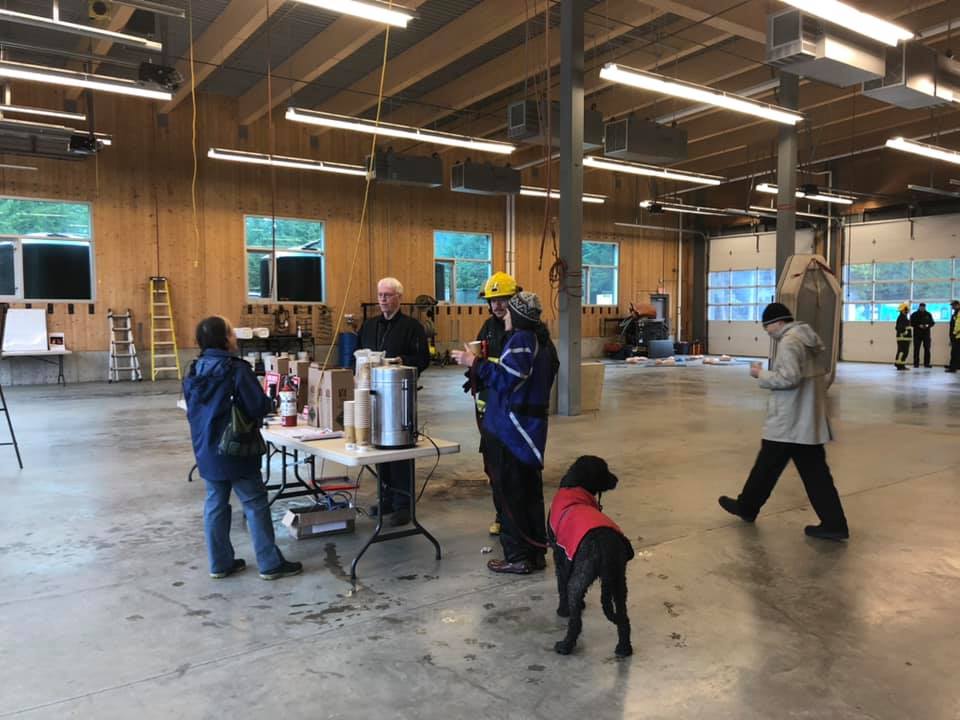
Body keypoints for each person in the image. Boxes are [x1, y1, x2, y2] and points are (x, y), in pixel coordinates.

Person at [183, 316, 302, 580]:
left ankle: (220, 563)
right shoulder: (236, 369)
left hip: (206, 449)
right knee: (254, 502)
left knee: (215, 503)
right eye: (232, 334)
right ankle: (269, 563)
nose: (236, 338)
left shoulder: (193, 369)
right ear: (225, 339)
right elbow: (257, 406)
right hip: (236, 449)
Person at [718, 302, 849, 541]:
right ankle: (833, 522)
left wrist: (760, 374)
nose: (768, 332)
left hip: (790, 419)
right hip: (806, 420)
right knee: (808, 473)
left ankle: (747, 507)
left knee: (768, 466)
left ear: (777, 323)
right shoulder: (808, 338)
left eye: (767, 327)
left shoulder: (790, 342)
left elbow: (788, 379)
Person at [452, 291, 559, 574]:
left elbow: (508, 379)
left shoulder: (522, 340)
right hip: (528, 430)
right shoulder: (542, 342)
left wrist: (473, 362)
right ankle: (534, 554)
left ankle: (517, 557)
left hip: (514, 432)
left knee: (511, 496)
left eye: (509, 310)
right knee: (529, 495)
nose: (505, 314)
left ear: (519, 315)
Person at [357, 277, 430, 526]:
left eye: (387, 295)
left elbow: (422, 359)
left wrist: (400, 361)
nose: (383, 299)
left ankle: (403, 504)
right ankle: (386, 497)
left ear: (399, 297)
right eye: (380, 295)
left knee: (400, 450)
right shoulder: (369, 326)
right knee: (379, 448)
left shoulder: (412, 327)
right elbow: (358, 354)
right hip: (373, 396)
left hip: (400, 395)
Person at [468, 271, 520, 537]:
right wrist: (473, 373)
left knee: (512, 467)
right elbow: (480, 357)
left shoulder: (522, 331)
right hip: (489, 407)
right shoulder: (487, 327)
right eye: (493, 300)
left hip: (513, 412)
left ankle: (514, 518)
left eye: (503, 299)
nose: (498, 305)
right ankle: (501, 515)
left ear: (513, 299)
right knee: (492, 467)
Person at [910, 303, 935, 368]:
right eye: (921, 307)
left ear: (925, 307)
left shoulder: (928, 314)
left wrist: (927, 325)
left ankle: (927, 364)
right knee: (916, 349)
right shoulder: (914, 314)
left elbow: (932, 323)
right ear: (919, 307)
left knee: (927, 349)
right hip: (917, 334)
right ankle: (916, 364)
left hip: (926, 334)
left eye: (923, 307)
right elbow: (911, 323)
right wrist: (918, 325)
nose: (922, 308)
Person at [895, 302, 912, 371]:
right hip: (903, 338)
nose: (907, 311)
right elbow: (898, 328)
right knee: (902, 351)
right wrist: (904, 332)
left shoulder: (904, 317)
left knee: (904, 351)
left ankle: (901, 365)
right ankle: (900, 365)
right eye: (906, 310)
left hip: (905, 338)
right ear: (903, 310)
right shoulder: (901, 318)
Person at [948, 300, 960, 373]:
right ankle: (954, 366)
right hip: (955, 336)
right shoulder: (955, 313)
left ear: (958, 305)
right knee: (955, 352)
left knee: (955, 352)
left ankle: (953, 368)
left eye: (953, 305)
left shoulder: (958, 313)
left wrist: (955, 333)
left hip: (957, 336)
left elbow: (958, 325)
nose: (952, 307)